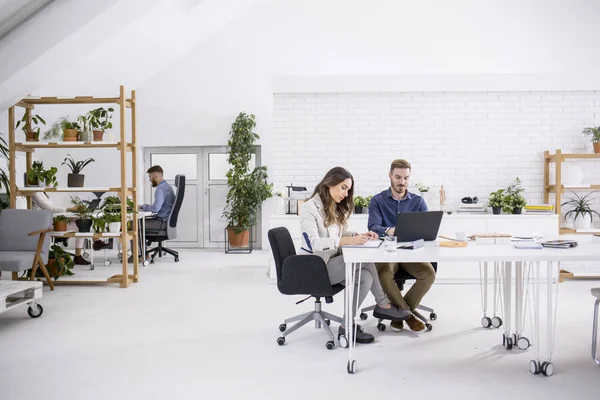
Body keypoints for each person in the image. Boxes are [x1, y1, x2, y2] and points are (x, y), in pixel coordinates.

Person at [300, 167, 410, 344]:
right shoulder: (309, 208)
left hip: (331, 262)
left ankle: (347, 326)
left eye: (348, 189)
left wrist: (357, 236)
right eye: (343, 187)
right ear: (330, 183)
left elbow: (337, 234)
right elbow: (315, 243)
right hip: (315, 267)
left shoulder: (332, 206)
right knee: (365, 261)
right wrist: (346, 242)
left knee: (365, 277)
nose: (346, 193)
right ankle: (383, 304)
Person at [368, 159, 436, 333]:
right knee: (383, 272)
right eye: (398, 177)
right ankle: (409, 317)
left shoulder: (418, 202)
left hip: (410, 252)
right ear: (390, 176)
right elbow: (373, 227)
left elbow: (427, 228)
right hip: (387, 251)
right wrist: (390, 230)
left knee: (428, 274)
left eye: (406, 178)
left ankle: (399, 313)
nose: (402, 182)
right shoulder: (377, 200)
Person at [130, 165, 175, 262]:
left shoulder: (160, 189)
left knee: (133, 224)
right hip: (166, 221)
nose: (150, 180)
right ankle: (143, 253)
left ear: (155, 175)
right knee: (138, 223)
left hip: (161, 222)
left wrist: (142, 206)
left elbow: (155, 208)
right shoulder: (167, 187)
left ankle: (140, 255)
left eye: (150, 177)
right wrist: (146, 206)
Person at [32, 190, 90, 265]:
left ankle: (93, 244)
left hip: (50, 219)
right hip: (46, 223)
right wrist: (69, 209)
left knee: (79, 221)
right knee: (81, 227)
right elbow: (50, 209)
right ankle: (78, 256)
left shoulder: (43, 193)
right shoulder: (36, 193)